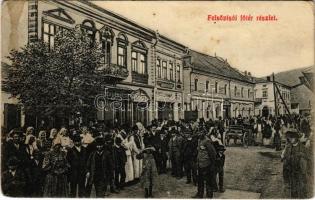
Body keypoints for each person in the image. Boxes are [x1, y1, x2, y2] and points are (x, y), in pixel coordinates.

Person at [281, 129, 309, 198]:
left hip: (300, 173)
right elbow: (284, 159)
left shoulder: (303, 148)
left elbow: (306, 161)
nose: (290, 139)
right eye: (289, 137)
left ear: (296, 138)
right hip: (291, 172)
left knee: (301, 190)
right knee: (293, 191)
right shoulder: (288, 147)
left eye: (292, 137)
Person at [193, 130, 217, 198]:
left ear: (204, 133)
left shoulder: (207, 141)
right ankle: (199, 194)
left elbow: (213, 154)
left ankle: (209, 196)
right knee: (200, 181)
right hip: (200, 164)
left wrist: (212, 164)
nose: (199, 134)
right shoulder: (199, 140)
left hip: (207, 165)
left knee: (208, 181)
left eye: (201, 132)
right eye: (198, 132)